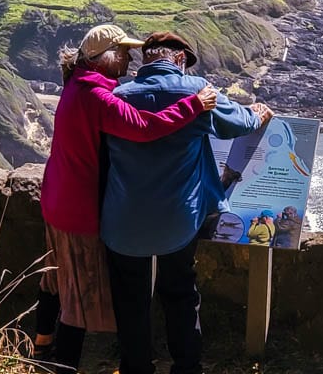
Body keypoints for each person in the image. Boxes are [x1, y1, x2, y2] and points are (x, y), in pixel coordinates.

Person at [34, 25, 217, 374]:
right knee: (79, 299)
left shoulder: (79, 84)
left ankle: (41, 346)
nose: (130, 59)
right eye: (123, 53)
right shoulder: (98, 96)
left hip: (57, 199)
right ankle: (61, 366)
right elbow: (144, 128)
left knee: (57, 281)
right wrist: (193, 104)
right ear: (105, 58)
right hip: (79, 209)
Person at [99, 31, 273, 374]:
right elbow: (239, 123)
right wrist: (259, 113)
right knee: (179, 292)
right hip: (178, 218)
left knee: (130, 299)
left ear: (146, 59)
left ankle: (136, 367)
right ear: (179, 59)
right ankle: (186, 366)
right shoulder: (196, 91)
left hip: (123, 219)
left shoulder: (116, 96)